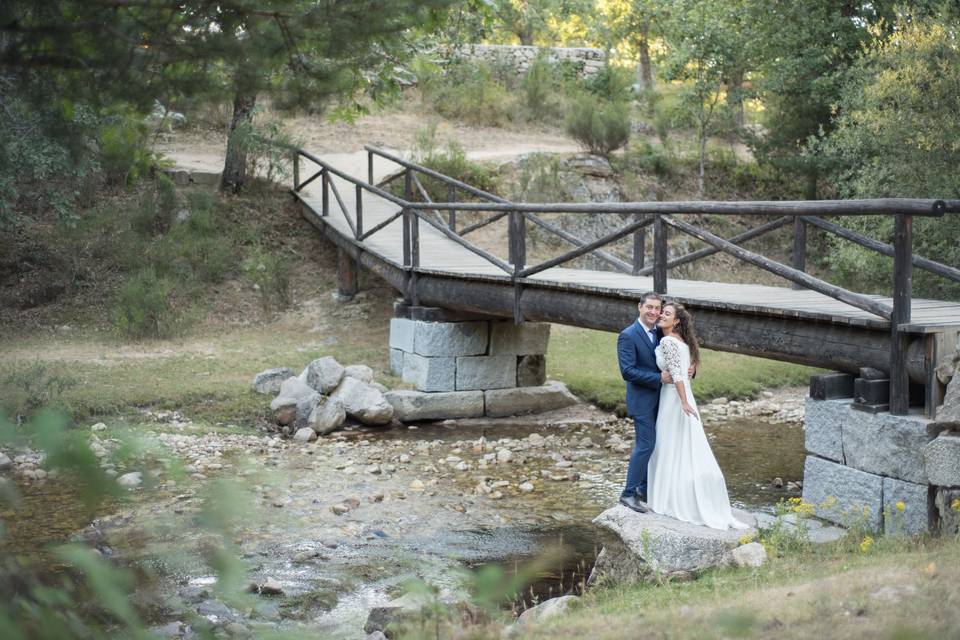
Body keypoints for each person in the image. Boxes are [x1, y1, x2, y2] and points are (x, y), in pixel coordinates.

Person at [646, 302, 748, 530]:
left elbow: (679, 375)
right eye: (662, 312)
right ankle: (677, 494)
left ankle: (668, 500)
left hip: (675, 399)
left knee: (670, 446)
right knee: (684, 446)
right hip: (682, 397)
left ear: (677, 321)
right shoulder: (683, 342)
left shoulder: (668, 341)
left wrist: (682, 401)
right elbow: (686, 369)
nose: (661, 315)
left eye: (667, 313)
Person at [616, 291, 671, 514]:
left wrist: (690, 369)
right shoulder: (628, 335)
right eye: (649, 307)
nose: (654, 312)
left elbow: (673, 358)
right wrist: (658, 378)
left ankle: (644, 489)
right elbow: (627, 371)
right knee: (646, 445)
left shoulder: (661, 332)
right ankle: (628, 494)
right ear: (640, 307)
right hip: (641, 401)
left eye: (657, 308)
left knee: (659, 445)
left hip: (664, 400)